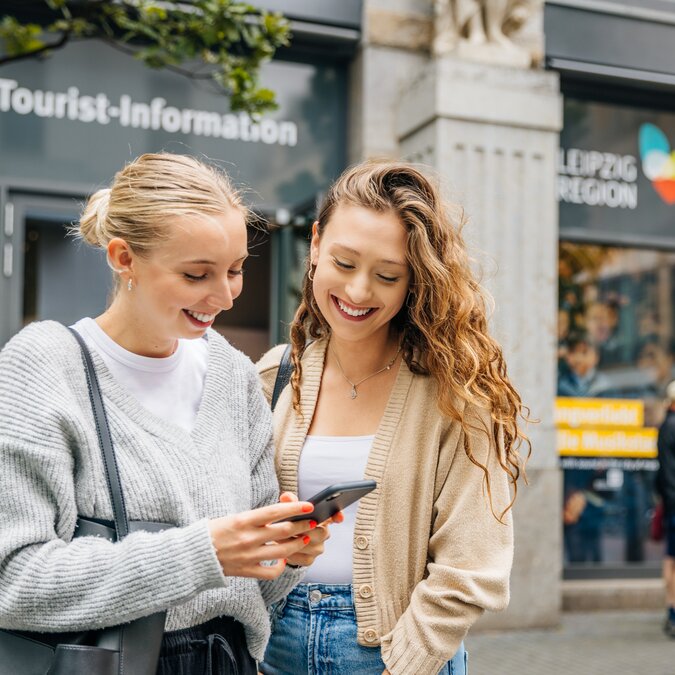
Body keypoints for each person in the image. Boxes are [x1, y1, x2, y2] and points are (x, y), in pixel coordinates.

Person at [0, 153, 330, 674]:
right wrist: (202, 554)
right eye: (197, 274)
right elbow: (13, 580)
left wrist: (286, 552)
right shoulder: (45, 366)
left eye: (237, 270)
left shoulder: (233, 374)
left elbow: (256, 588)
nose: (223, 295)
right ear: (123, 258)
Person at [257, 161, 528, 674]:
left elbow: (472, 565)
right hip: (274, 647)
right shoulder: (271, 377)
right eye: (344, 262)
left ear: (414, 281)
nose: (359, 292)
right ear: (315, 245)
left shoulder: (457, 391)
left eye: (387, 276)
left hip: (396, 652)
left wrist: (405, 663)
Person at [656, 380, 675, 638]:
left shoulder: (667, 425)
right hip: (674, 505)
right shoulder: (671, 426)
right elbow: (669, 474)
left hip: (672, 503)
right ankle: (672, 611)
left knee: (671, 560)